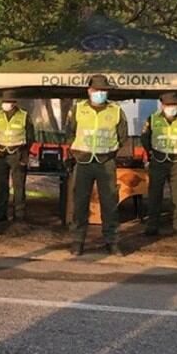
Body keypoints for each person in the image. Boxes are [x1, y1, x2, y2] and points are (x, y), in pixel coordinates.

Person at [66, 75, 128, 257]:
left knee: (110, 203)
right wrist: (75, 151)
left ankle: (112, 242)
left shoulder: (116, 110)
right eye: (97, 90)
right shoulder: (77, 109)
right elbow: (69, 132)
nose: (100, 93)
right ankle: (78, 241)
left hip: (106, 162)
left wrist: (110, 153)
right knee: (80, 203)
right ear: (89, 90)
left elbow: (122, 135)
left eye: (104, 90)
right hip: (83, 161)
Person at [140, 92, 177, 239]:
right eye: (169, 105)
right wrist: (150, 153)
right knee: (154, 194)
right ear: (162, 105)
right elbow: (145, 139)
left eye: (174, 105)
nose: (172, 107)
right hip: (158, 160)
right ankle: (152, 226)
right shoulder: (152, 119)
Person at [0, 89, 34, 224]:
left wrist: (25, 156)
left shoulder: (24, 116)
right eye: (4, 101)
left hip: (17, 154)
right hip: (1, 155)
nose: (5, 104)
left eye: (8, 101)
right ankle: (0, 213)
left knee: (19, 187)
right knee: (1, 185)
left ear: (14, 103)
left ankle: (19, 215)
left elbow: (30, 137)